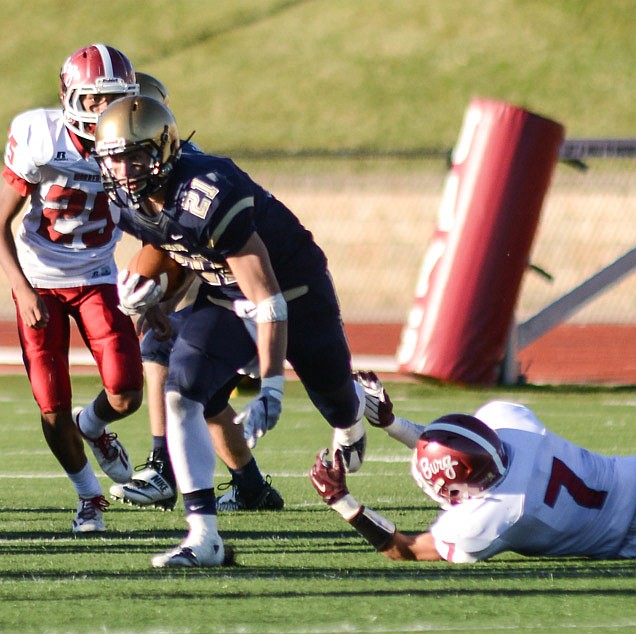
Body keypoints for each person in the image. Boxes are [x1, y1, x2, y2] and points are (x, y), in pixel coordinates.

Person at [92, 95, 368, 567]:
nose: (124, 169)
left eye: (136, 155)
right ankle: (204, 536)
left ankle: (355, 412)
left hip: (294, 291)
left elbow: (269, 298)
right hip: (224, 295)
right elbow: (169, 242)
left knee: (336, 401)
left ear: (164, 151)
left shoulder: (207, 192)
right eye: (114, 157)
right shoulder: (122, 194)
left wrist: (272, 388)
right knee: (183, 391)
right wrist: (152, 303)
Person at [108, 73, 283, 513]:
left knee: (175, 362)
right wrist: (156, 304)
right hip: (221, 285)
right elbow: (174, 246)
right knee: (203, 390)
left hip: (254, 289)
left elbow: (188, 241)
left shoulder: (191, 176)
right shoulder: (125, 169)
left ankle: (165, 466)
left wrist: (160, 301)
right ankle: (250, 487)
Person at [0, 44, 144, 533]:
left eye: (114, 98)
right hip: (40, 280)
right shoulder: (39, 134)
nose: (104, 110)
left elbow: (150, 216)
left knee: (126, 392)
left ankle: (92, 426)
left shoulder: (135, 136)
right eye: (96, 99)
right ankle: (89, 497)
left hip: (97, 275)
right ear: (71, 96)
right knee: (51, 405)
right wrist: (23, 289)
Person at [309, 371, 636, 562]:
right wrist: (393, 424)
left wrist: (343, 503)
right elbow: (458, 444)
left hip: (626, 534)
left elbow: (408, 549)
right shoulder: (512, 424)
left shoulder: (495, 512)